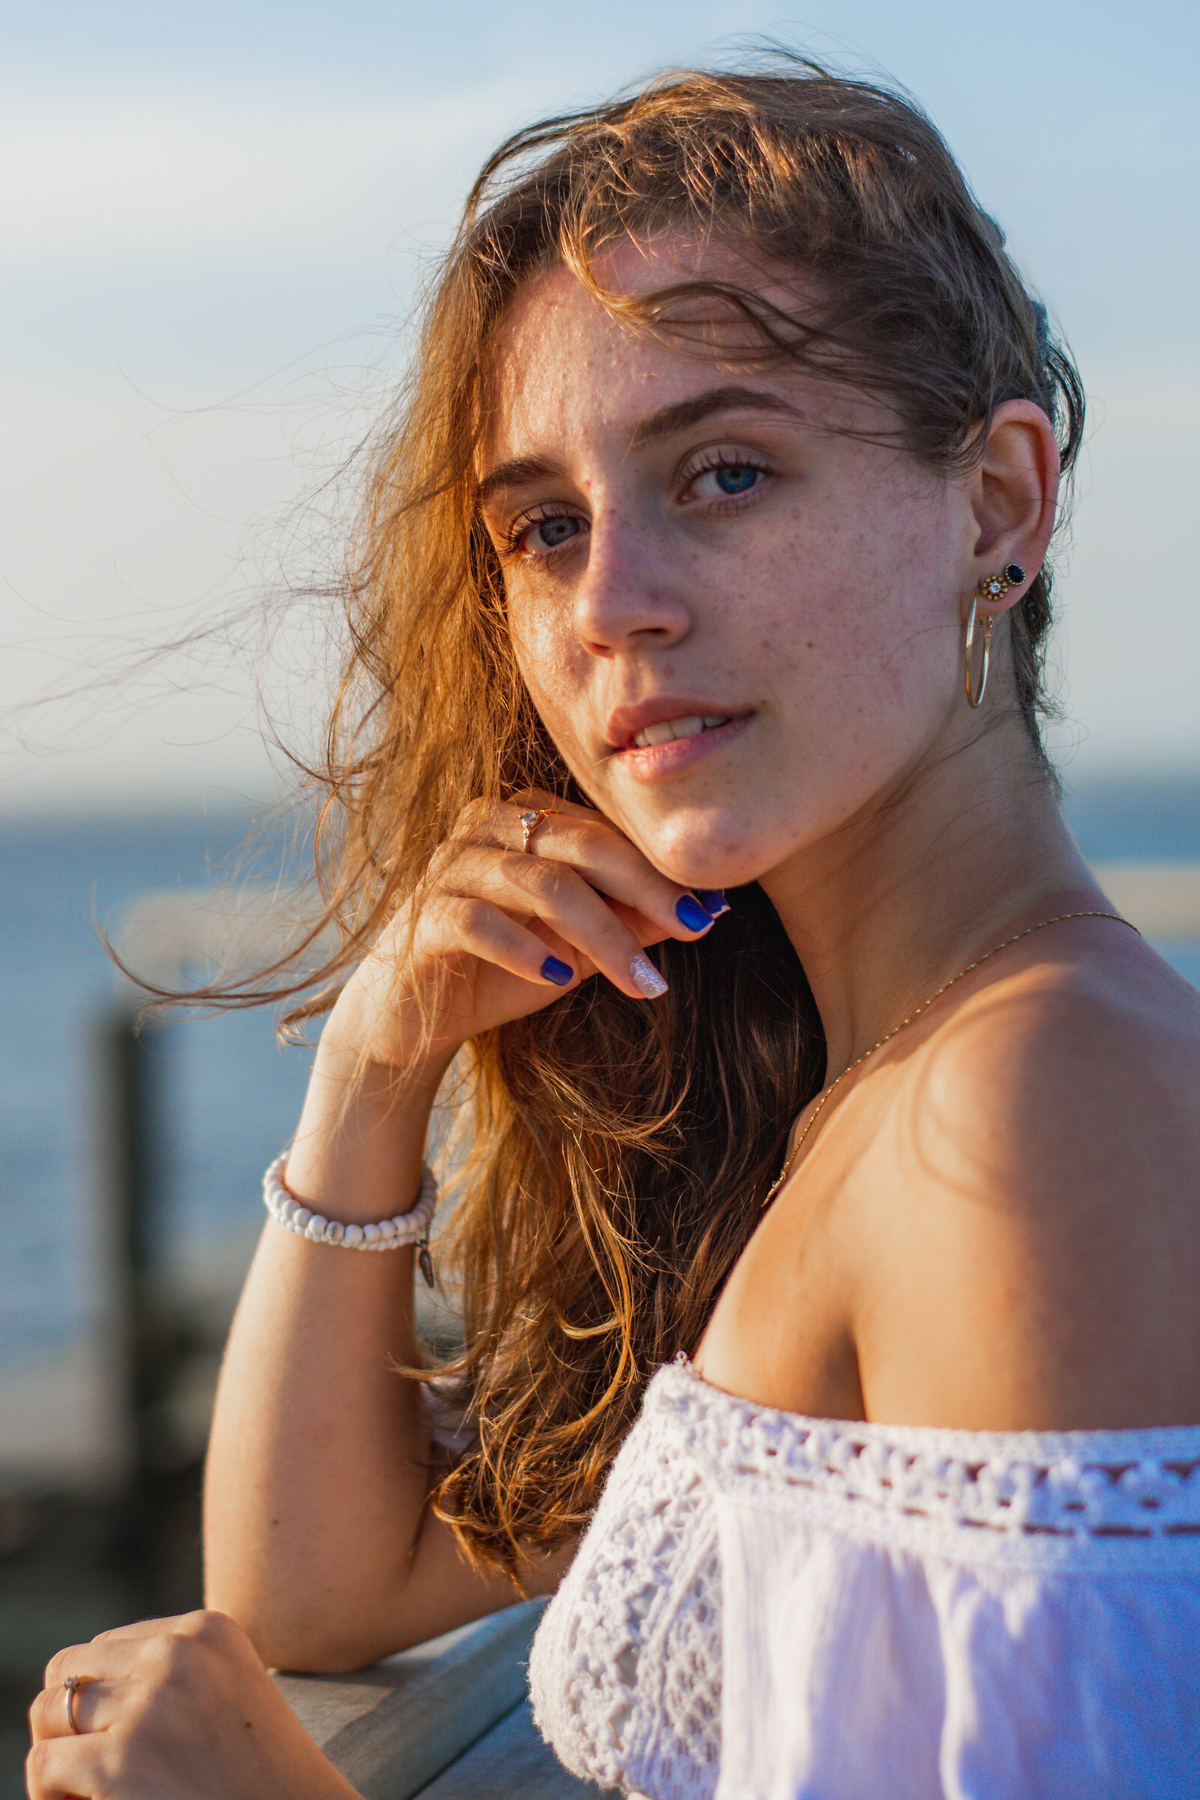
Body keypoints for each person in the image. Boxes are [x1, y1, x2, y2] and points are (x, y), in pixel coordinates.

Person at [27, 61, 1200, 1800]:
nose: (610, 606)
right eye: (547, 528)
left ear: (998, 507)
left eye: (724, 473)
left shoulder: (1025, 1106)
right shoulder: (855, 1091)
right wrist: (373, 1065)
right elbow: (315, 1586)